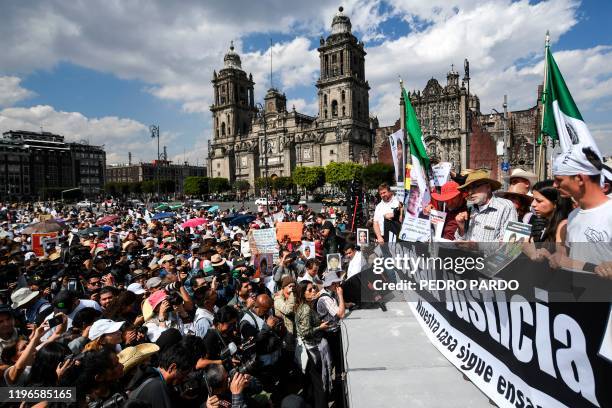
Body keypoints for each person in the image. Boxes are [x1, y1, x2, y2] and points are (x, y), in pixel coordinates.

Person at [544, 149, 612, 276]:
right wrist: (559, 257)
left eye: (559, 180)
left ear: (580, 178)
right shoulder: (573, 215)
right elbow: (573, 258)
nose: (554, 185)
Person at [294, 281, 331, 408]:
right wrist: (320, 327)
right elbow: (305, 333)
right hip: (310, 351)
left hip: (311, 348)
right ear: (303, 293)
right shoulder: (305, 309)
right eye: (309, 290)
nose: (314, 291)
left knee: (312, 383)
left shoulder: (307, 305)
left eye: (314, 288)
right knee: (318, 385)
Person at [454, 170, 518, 241]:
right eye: (468, 188)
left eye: (475, 187)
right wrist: (461, 227)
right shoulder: (470, 208)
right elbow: (459, 240)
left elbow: (509, 243)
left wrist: (479, 247)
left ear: (488, 187)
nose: (470, 192)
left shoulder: (506, 207)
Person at [129, 343, 197, 408]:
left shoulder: (152, 375)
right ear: (172, 367)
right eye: (184, 374)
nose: (184, 378)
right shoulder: (158, 386)